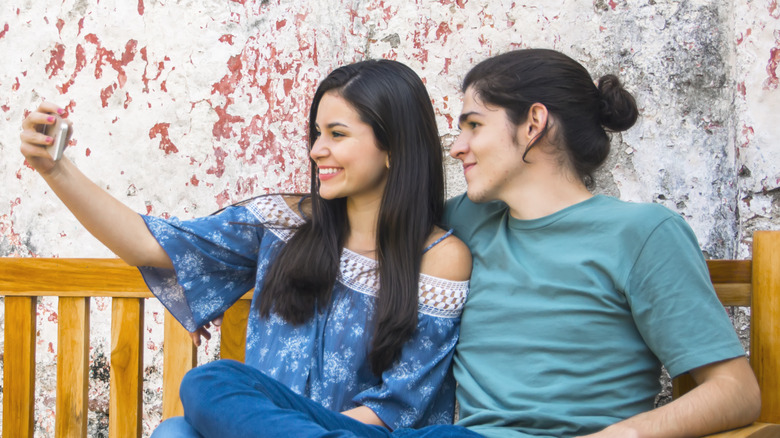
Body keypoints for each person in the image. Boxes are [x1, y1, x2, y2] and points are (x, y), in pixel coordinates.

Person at [19, 59, 471, 437]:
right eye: (316, 133)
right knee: (200, 394)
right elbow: (149, 242)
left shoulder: (438, 258)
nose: (316, 150)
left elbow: (399, 408)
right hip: (263, 427)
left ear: (393, 147)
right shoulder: (283, 224)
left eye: (337, 134)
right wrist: (54, 168)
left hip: (359, 431)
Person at [441, 48, 761, 437]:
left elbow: (735, 392)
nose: (457, 146)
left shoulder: (641, 233)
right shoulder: (464, 220)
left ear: (533, 123)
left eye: (474, 125)